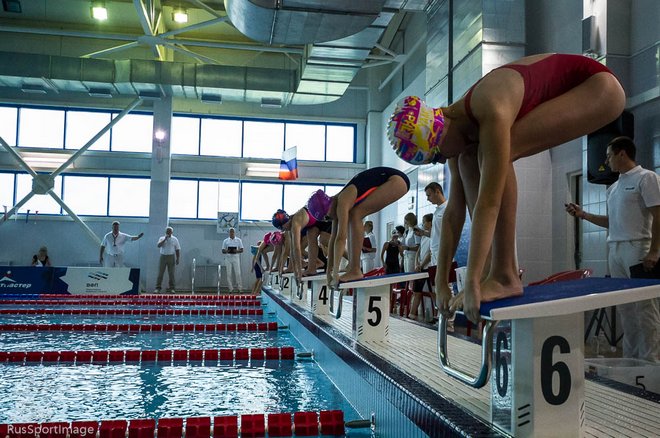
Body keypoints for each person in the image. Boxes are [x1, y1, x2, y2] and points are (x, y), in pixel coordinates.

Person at [388, 53, 626, 323]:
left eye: (438, 155)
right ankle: (496, 272)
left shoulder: (489, 105)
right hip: (580, 88)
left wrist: (474, 281)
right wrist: (442, 281)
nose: (443, 160)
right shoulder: (455, 134)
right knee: (469, 157)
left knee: (501, 149)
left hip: (598, 86)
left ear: (439, 130)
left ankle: (504, 274)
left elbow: (489, 203)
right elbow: (454, 213)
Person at [565, 136, 659, 362]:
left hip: (638, 248)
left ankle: (651, 363)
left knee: (645, 309)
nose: (606, 161)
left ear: (622, 153)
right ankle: (631, 360)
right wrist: (584, 214)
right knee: (626, 310)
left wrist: (655, 251)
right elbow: (612, 222)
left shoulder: (646, 178)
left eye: (608, 156)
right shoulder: (614, 187)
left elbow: (658, 215)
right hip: (615, 249)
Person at [305, 167, 410, 288]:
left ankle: (355, 269)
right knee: (354, 214)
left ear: (329, 206)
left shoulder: (343, 201)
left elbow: (341, 238)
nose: (328, 220)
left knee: (355, 213)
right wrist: (329, 273)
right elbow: (333, 240)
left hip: (397, 180)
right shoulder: (335, 206)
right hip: (393, 180)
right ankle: (353, 268)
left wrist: (335, 273)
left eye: (327, 218)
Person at [424, 181, 447, 319]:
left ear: (437, 191)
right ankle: (440, 316)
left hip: (443, 252)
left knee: (445, 284)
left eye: (429, 195)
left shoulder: (448, 208)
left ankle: (448, 321)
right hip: (435, 252)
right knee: (437, 286)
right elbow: (436, 234)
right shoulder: (437, 210)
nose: (428, 198)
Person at [409, 213, 434, 320]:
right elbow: (419, 251)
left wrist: (422, 264)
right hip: (421, 267)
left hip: (429, 267)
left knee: (433, 293)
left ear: (430, 223)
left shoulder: (433, 236)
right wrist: (416, 263)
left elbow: (430, 252)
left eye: (424, 222)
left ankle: (438, 316)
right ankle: (412, 315)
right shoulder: (424, 235)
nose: (422, 224)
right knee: (416, 291)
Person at [155, 226, 180, 293]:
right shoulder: (161, 238)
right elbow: (158, 246)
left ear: (172, 232)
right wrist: (164, 239)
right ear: (165, 232)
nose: (168, 232)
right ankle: (158, 288)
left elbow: (177, 249)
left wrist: (178, 258)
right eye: (167, 231)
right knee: (160, 273)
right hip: (163, 257)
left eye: (169, 231)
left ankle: (172, 288)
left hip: (171, 257)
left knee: (171, 274)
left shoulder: (175, 239)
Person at [222, 227, 244, 292]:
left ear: (234, 232)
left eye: (232, 232)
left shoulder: (238, 240)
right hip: (228, 258)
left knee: (238, 273)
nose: (231, 233)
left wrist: (236, 250)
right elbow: (223, 250)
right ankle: (230, 289)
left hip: (235, 257)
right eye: (230, 232)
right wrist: (227, 250)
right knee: (229, 274)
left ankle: (240, 288)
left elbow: (242, 249)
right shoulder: (225, 241)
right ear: (229, 233)